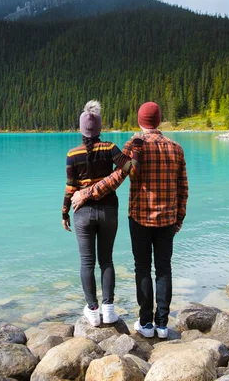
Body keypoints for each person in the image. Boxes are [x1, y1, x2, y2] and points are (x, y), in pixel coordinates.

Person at [71, 101, 188, 339]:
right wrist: (179, 218)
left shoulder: (135, 146)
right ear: (159, 120)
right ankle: (163, 325)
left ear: (140, 121)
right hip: (167, 218)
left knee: (143, 268)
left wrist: (87, 193)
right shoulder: (176, 148)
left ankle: (145, 323)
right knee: (164, 269)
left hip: (140, 218)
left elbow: (118, 178)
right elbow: (183, 187)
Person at [62, 100, 143, 327]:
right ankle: (108, 310)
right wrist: (136, 148)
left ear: (81, 129)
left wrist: (64, 212)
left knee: (87, 263)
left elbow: (70, 187)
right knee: (106, 260)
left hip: (82, 213)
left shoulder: (72, 153)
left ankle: (92, 310)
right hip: (108, 211)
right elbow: (131, 169)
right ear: (99, 128)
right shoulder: (109, 148)